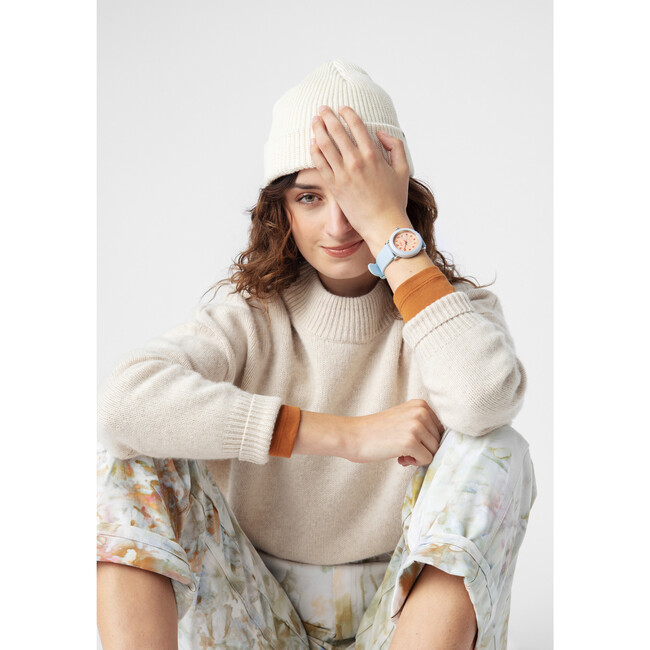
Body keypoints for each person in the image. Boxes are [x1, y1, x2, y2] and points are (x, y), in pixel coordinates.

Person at [96, 59, 537, 650]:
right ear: (281, 210)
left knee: (496, 448)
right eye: (309, 196)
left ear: (398, 194)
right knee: (131, 457)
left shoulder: (451, 315)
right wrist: (348, 436)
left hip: (401, 620)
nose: (338, 224)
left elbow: (484, 400)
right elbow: (121, 406)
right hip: (252, 617)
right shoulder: (251, 319)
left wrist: (388, 227)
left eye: (356, 195)